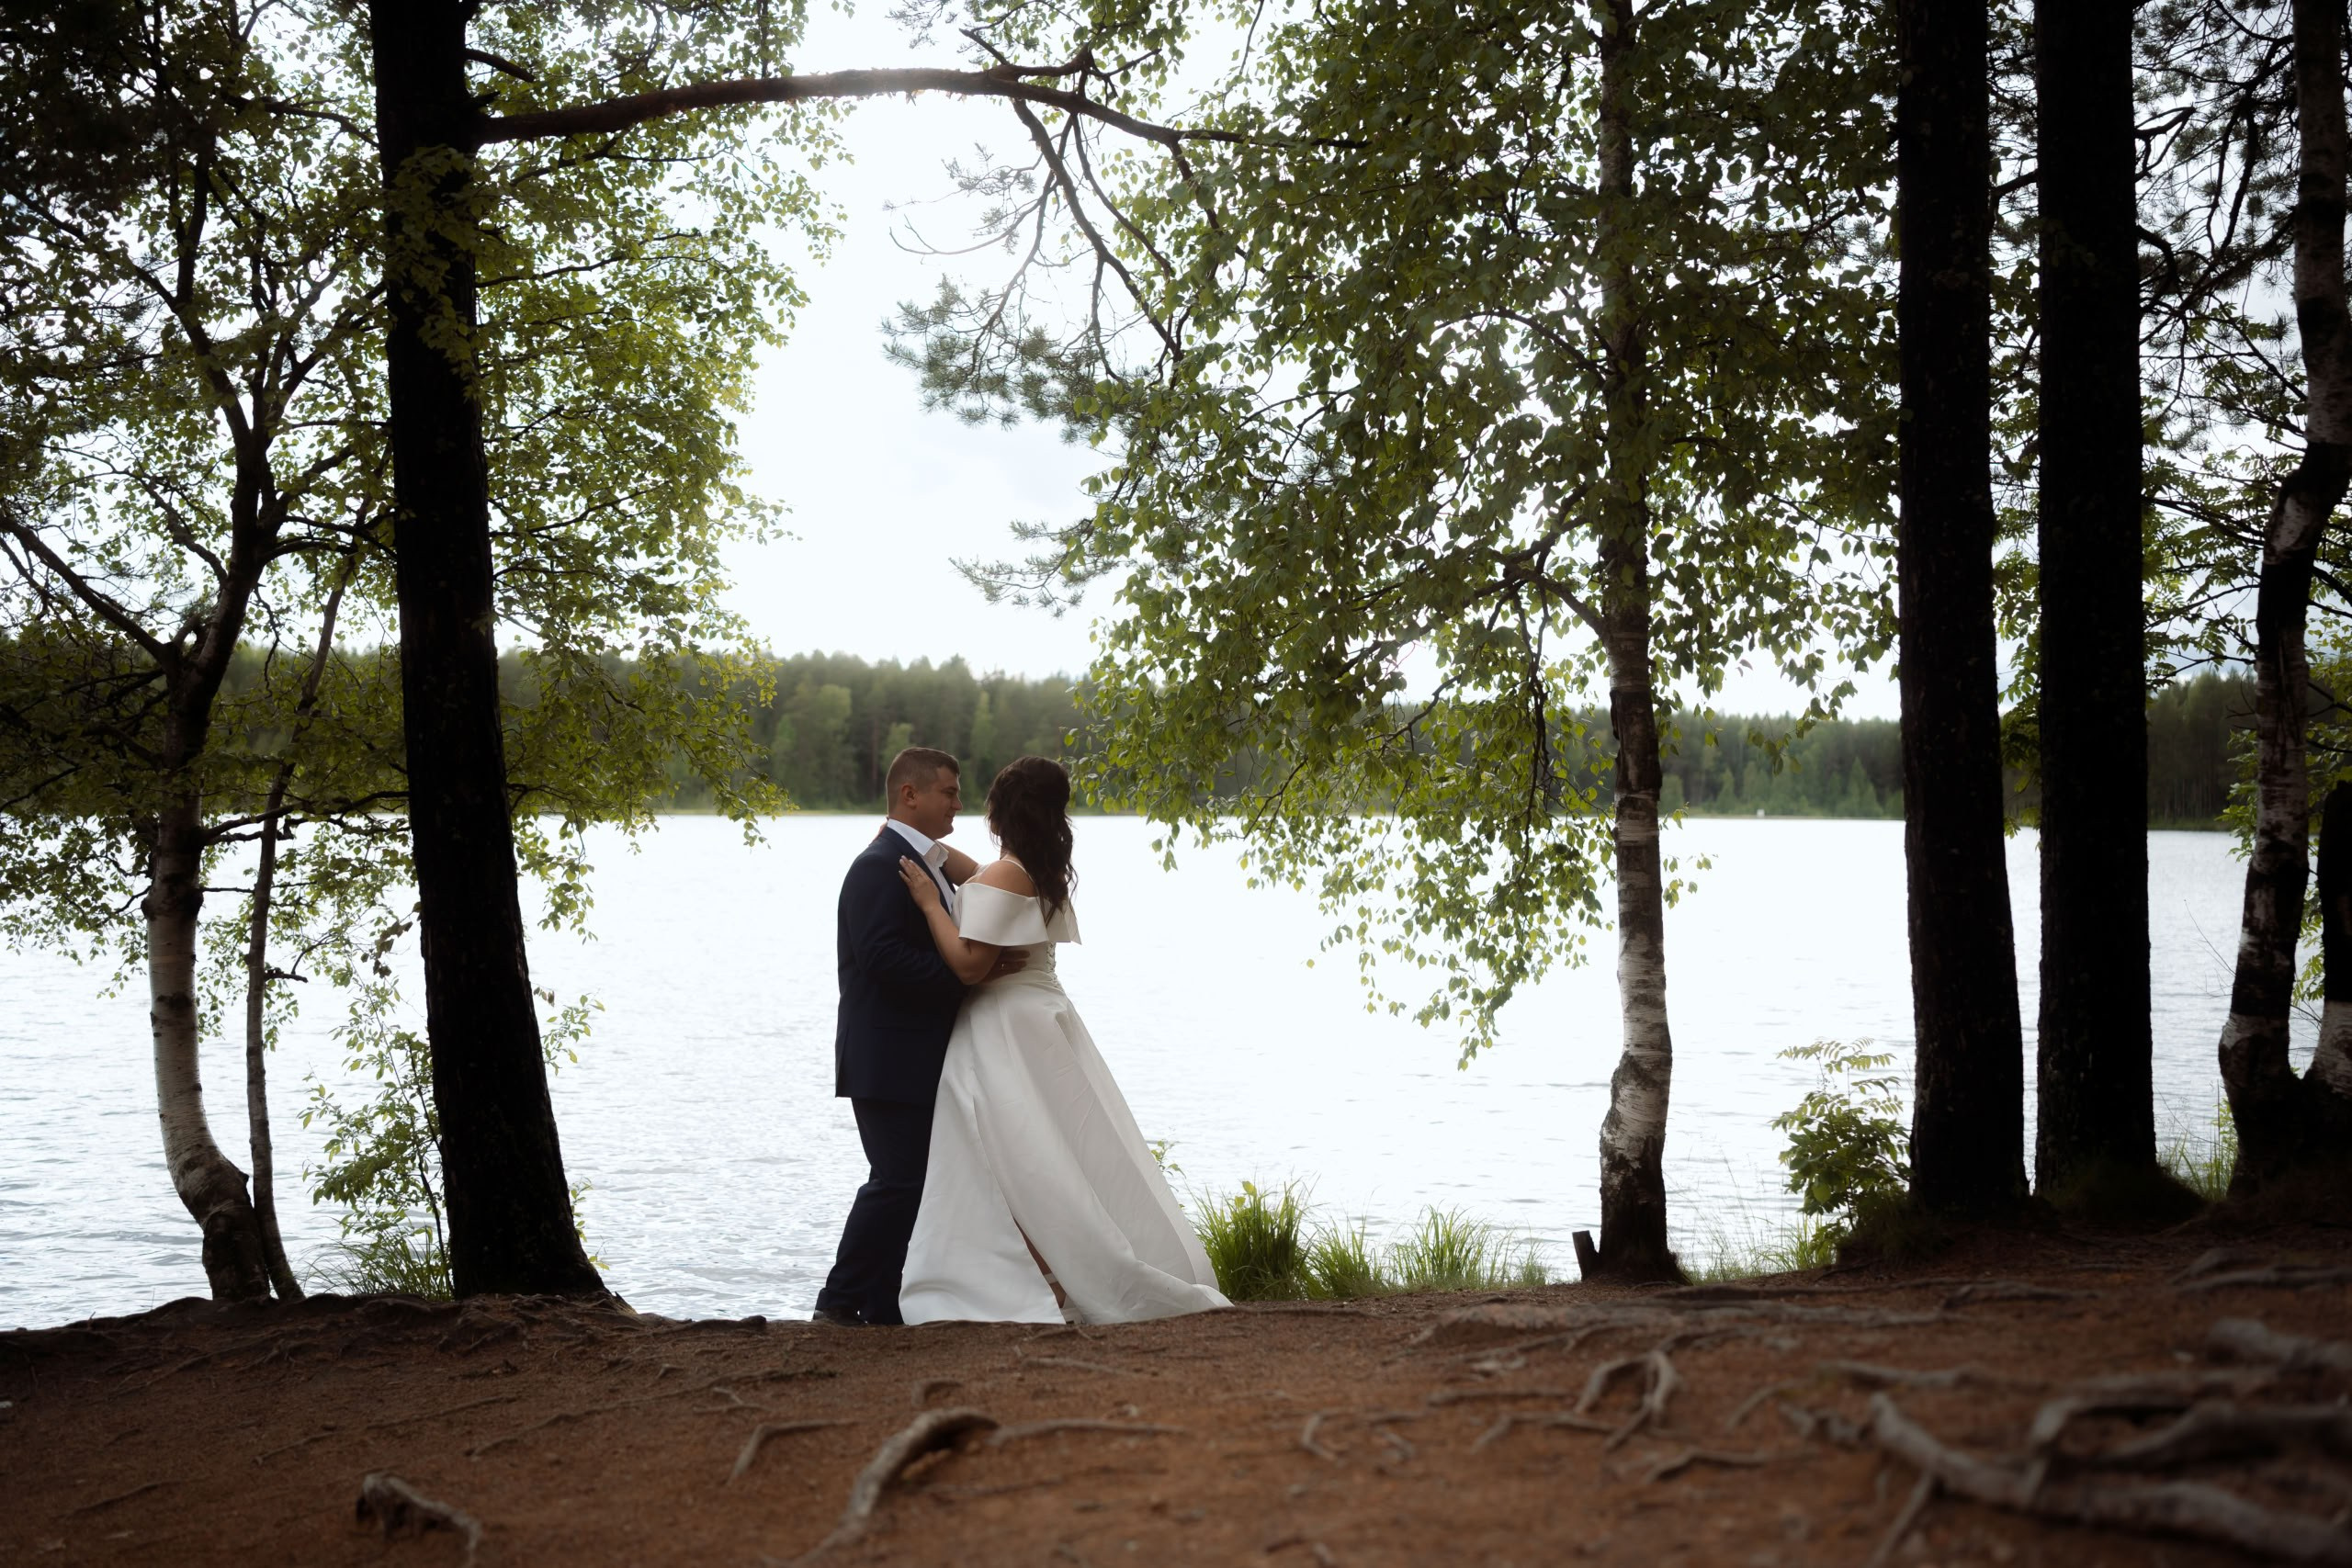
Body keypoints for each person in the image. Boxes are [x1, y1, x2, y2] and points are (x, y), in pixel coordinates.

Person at [890, 754, 1229, 1324]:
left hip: (1007, 1025)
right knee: (1051, 1156)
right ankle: (1052, 1279)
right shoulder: (1038, 869)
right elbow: (984, 881)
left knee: (1020, 1160)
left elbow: (971, 965)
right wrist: (940, 857)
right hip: (1042, 1016)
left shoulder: (1008, 873)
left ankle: (1048, 1280)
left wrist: (929, 901)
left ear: (1002, 811)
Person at [810, 747, 1018, 1327]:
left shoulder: (922, 861)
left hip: (913, 1054)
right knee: (898, 1180)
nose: (958, 802)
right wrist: (966, 977)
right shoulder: (878, 866)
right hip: (887, 1055)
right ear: (911, 795)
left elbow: (985, 885)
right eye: (949, 792)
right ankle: (836, 1302)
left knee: (915, 1182)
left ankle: (881, 1306)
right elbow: (881, 960)